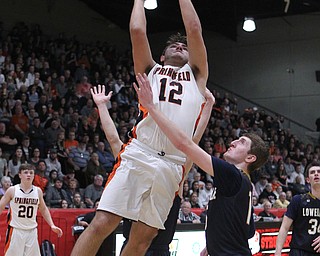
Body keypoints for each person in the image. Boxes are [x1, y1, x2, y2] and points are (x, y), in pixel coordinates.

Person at [71, 0, 208, 254]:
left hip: (172, 164)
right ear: (162, 56)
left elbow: (194, 29)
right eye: (174, 46)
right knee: (102, 223)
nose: (181, 46)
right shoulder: (150, 70)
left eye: (184, 47)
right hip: (139, 152)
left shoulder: (198, 75)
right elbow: (136, 31)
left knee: (142, 240)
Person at [134, 73, 269, 255]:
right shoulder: (245, 184)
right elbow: (247, 231)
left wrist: (151, 107)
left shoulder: (232, 175)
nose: (233, 142)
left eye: (242, 142)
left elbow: (185, 144)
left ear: (250, 158)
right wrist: (212, 246)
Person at [0, 163, 63, 255]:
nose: (28, 174)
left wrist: (52, 225)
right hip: (16, 230)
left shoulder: (38, 191)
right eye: (25, 172)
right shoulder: (12, 190)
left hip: (32, 231)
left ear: (34, 175)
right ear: (20, 175)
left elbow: (43, 209)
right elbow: (1, 206)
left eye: (31, 172)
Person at [275, 161, 320, 255]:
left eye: (319, 172)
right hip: (299, 251)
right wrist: (278, 252)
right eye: (312, 172)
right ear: (307, 180)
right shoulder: (298, 200)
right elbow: (284, 228)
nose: (316, 174)